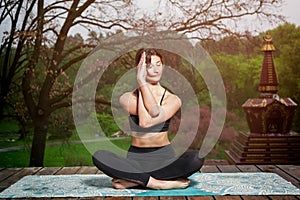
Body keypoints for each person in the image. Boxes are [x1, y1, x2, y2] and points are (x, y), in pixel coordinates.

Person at [92, 48, 205, 190]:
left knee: (196, 158)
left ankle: (136, 179)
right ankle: (156, 183)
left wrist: (141, 83)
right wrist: (141, 83)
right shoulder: (126, 98)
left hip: (164, 158)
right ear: (140, 69)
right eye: (150, 66)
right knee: (99, 155)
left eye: (159, 64)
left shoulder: (173, 99)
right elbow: (144, 121)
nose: (156, 70)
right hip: (136, 159)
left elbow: (150, 117)